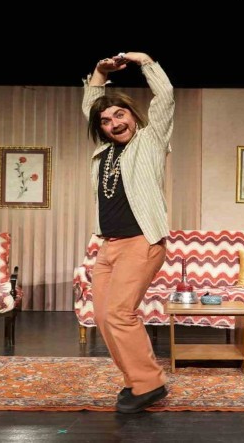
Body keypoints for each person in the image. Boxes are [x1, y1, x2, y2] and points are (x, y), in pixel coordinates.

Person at [81, 52, 174, 413]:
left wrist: (145, 62)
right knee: (104, 318)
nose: (114, 123)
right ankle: (136, 380)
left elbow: (165, 96)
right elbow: (91, 105)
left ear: (134, 116)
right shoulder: (103, 152)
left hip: (141, 242)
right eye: (106, 120)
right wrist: (99, 73)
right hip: (109, 246)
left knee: (120, 313)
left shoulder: (150, 142)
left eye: (120, 114)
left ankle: (150, 384)